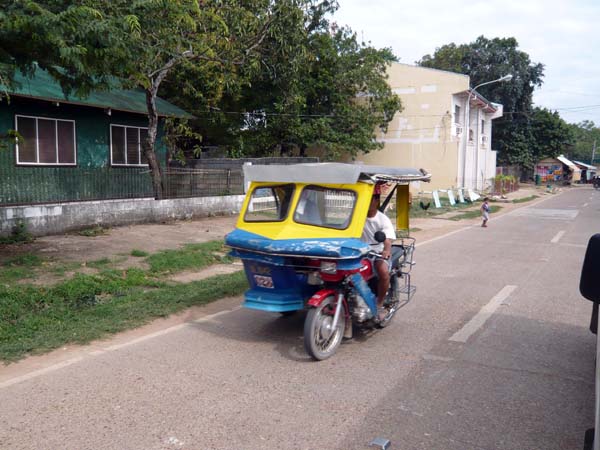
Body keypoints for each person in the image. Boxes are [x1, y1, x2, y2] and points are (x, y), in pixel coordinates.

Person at [361, 188, 396, 321]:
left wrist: (386, 250)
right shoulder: (358, 217)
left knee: (383, 272)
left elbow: (387, 239)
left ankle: (379, 303)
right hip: (360, 251)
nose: (367, 202)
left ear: (376, 200)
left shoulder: (382, 219)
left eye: (370, 199)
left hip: (377, 251)